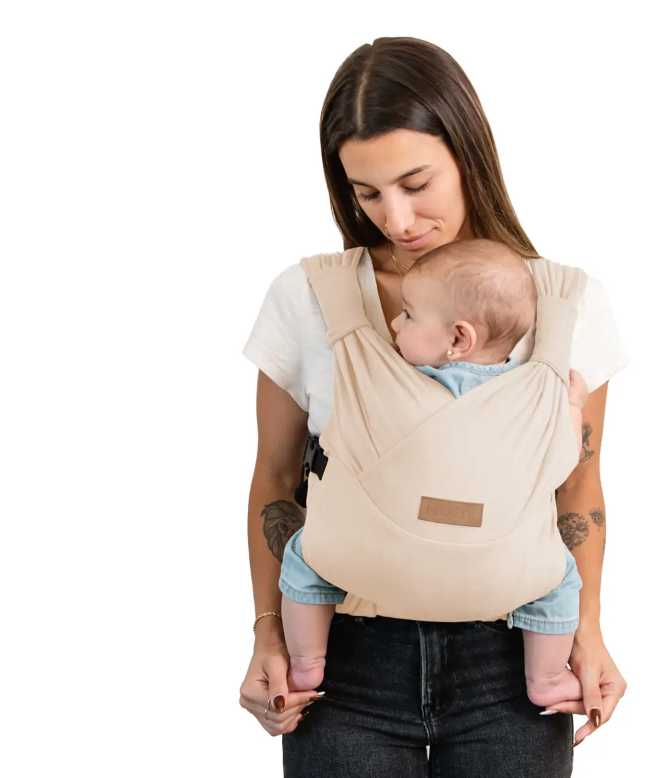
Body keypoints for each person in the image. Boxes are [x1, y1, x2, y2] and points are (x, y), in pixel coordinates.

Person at [239, 37, 628, 776]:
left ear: (468, 153)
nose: (397, 218)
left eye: (416, 183)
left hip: (511, 659)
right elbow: (276, 479)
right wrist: (268, 633)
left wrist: (587, 631)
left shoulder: (563, 306)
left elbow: (576, 486)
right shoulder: (310, 297)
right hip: (343, 659)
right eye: (366, 193)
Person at [279, 238, 588, 712]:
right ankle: (546, 677)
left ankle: (307, 662)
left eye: (407, 315)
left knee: (307, 554)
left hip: (363, 568)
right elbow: (562, 460)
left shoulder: (377, 379)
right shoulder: (532, 394)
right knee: (559, 577)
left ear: (458, 339)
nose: (394, 324)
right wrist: (573, 404)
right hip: (505, 580)